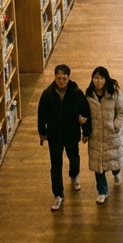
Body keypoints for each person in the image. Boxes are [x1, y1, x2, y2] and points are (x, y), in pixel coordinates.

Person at [38, 64, 91, 211]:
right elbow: (41, 115)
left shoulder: (76, 93)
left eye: (64, 78)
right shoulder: (47, 94)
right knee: (55, 165)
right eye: (58, 78)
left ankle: (74, 175)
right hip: (54, 135)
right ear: (54, 77)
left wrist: (86, 132)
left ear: (69, 78)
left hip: (71, 133)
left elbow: (85, 113)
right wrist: (42, 132)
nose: (61, 81)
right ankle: (58, 195)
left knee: (74, 158)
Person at [85, 66, 123, 204]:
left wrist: (115, 125)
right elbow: (84, 113)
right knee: (98, 166)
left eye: (101, 78)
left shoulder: (114, 93)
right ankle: (102, 191)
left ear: (106, 79)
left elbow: (122, 112)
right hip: (96, 136)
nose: (98, 81)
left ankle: (116, 172)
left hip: (112, 134)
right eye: (96, 78)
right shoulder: (89, 95)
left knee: (114, 162)